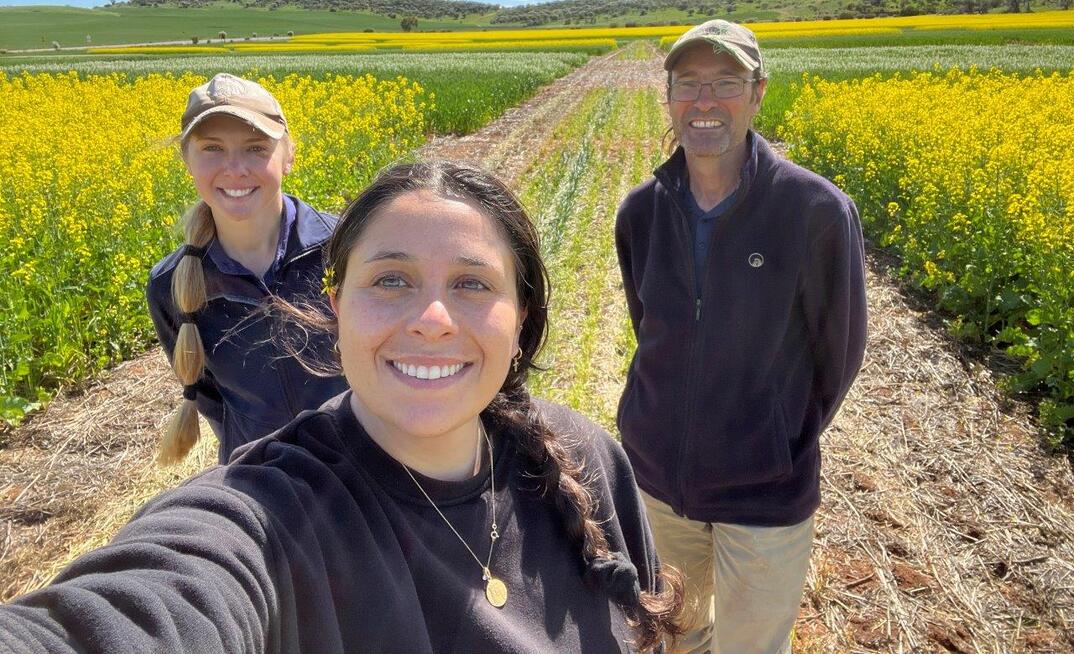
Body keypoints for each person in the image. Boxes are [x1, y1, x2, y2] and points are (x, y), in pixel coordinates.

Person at [1, 161, 684, 652]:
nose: (434, 318)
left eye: (473, 283)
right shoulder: (268, 517)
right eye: (391, 279)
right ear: (337, 306)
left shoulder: (588, 458)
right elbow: (139, 613)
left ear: (521, 316)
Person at [614, 20, 867, 654]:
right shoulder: (640, 212)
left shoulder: (814, 211)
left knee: (752, 646)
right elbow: (650, 329)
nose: (704, 102)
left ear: (757, 94)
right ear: (668, 96)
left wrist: (777, 441)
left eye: (725, 83)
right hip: (658, 486)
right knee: (674, 635)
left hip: (764, 493)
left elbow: (839, 351)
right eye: (688, 85)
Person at [147, 72, 346, 464]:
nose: (235, 169)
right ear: (186, 160)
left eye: (256, 148)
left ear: (289, 155)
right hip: (260, 484)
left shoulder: (346, 247)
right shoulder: (171, 285)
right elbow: (212, 400)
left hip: (363, 476)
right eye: (212, 148)